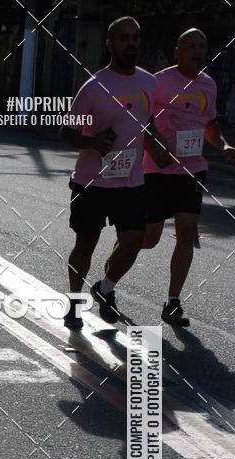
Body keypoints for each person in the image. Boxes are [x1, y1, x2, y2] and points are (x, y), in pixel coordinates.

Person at [59, 16, 167, 328]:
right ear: (109, 44)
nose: (130, 43)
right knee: (85, 246)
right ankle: (75, 303)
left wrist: (157, 144)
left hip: (131, 181)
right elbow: (66, 133)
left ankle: (106, 288)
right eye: (124, 38)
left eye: (135, 38)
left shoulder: (149, 82)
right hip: (91, 183)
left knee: (133, 241)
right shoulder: (94, 87)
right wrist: (92, 141)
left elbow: (147, 121)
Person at [142, 28, 235, 327]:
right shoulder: (158, 82)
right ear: (177, 52)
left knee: (186, 232)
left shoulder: (208, 84)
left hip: (192, 170)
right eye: (191, 46)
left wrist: (223, 146)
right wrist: (154, 147)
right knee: (149, 238)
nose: (197, 51)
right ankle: (115, 265)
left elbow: (210, 125)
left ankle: (173, 302)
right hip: (157, 169)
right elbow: (141, 121)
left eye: (202, 46)